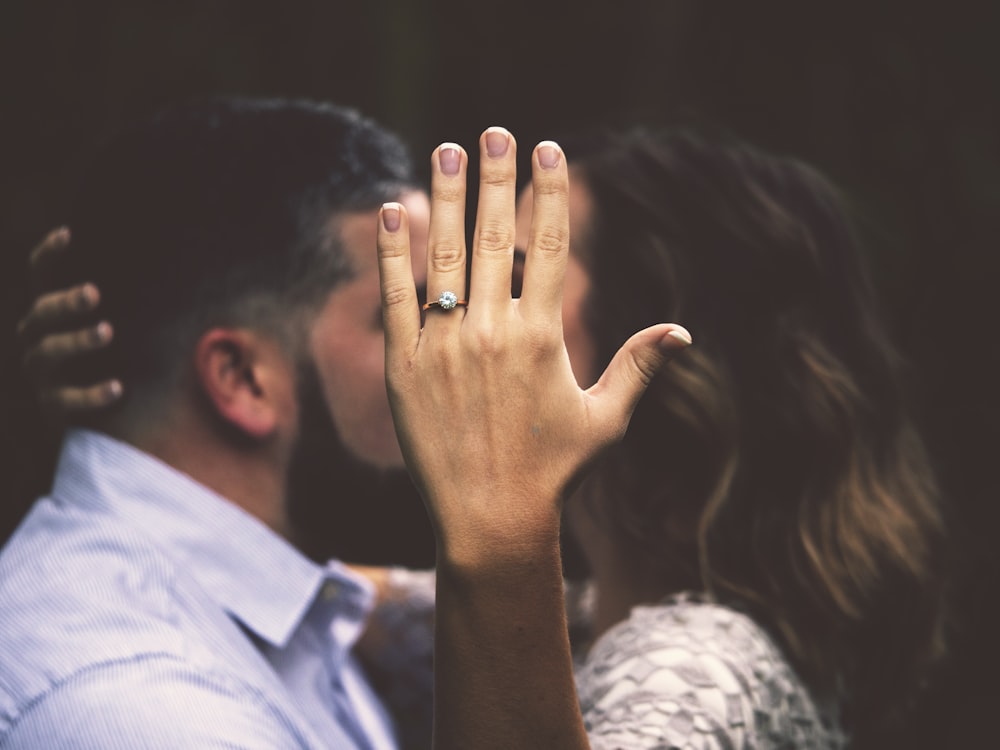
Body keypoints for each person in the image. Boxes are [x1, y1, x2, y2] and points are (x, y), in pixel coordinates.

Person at [15, 123, 948, 749]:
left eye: (510, 280)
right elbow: (328, 592)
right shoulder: (592, 612)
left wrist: (496, 524)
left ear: (657, 355)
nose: (453, 327)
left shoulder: (696, 673)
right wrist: (133, 405)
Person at [0, 97, 442, 748]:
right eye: (406, 318)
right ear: (241, 377)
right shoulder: (148, 712)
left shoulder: (307, 610)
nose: (455, 360)